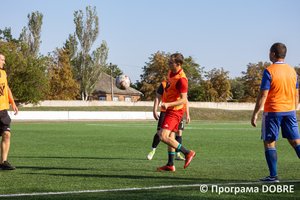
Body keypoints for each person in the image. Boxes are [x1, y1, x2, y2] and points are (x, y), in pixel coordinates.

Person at [251, 43, 300, 183]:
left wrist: (255, 113)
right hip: (290, 112)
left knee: (269, 143)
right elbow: (297, 96)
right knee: (296, 142)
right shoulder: (293, 72)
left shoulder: (269, 71)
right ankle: (273, 176)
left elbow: (262, 95)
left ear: (273, 54)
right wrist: (293, 109)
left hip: (272, 112)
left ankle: (273, 176)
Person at [156, 53, 195, 171]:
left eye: (170, 62)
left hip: (175, 112)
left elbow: (184, 99)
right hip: (168, 110)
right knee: (170, 136)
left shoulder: (182, 80)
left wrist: (168, 104)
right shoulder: (171, 72)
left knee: (162, 136)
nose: (168, 64)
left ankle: (187, 153)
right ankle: (170, 164)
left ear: (178, 64)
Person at [147, 80, 190, 161]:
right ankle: (153, 150)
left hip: (178, 111)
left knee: (177, 133)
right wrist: (155, 110)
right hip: (165, 111)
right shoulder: (163, 84)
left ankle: (176, 156)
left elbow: (185, 100)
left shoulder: (180, 84)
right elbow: (158, 97)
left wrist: (188, 114)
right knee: (160, 133)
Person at [0, 52, 18, 170]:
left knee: (6, 134)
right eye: (1, 59)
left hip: (2, 111)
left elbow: (7, 89)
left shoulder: (3, 73)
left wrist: (13, 103)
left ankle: (3, 162)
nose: (4, 62)